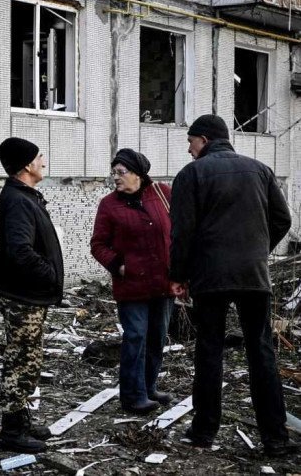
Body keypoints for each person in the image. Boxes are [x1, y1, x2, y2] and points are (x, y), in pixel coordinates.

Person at [170, 114, 297, 456]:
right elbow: (283, 219)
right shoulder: (259, 170)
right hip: (253, 276)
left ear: (205, 140)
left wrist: (178, 275)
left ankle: (203, 433)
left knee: (209, 350)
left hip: (210, 278)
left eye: (191, 141)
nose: (189, 148)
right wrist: (257, 251)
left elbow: (182, 231)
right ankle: (275, 437)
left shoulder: (191, 175)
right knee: (261, 352)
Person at [0, 138, 64, 453]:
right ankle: (11, 432)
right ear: (26, 165)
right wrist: (48, 273)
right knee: (21, 361)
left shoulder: (23, 196)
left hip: (28, 296)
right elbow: (19, 250)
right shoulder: (19, 200)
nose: (44, 161)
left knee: (28, 359)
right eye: (39, 156)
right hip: (22, 298)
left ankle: (20, 422)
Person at [91, 149, 174, 415]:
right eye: (113, 172)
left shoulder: (162, 193)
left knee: (157, 337)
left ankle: (149, 387)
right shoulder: (109, 204)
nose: (115, 177)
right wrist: (119, 265)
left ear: (138, 174)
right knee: (136, 336)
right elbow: (98, 245)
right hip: (131, 284)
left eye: (121, 172)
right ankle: (132, 395)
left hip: (163, 282)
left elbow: (178, 230)